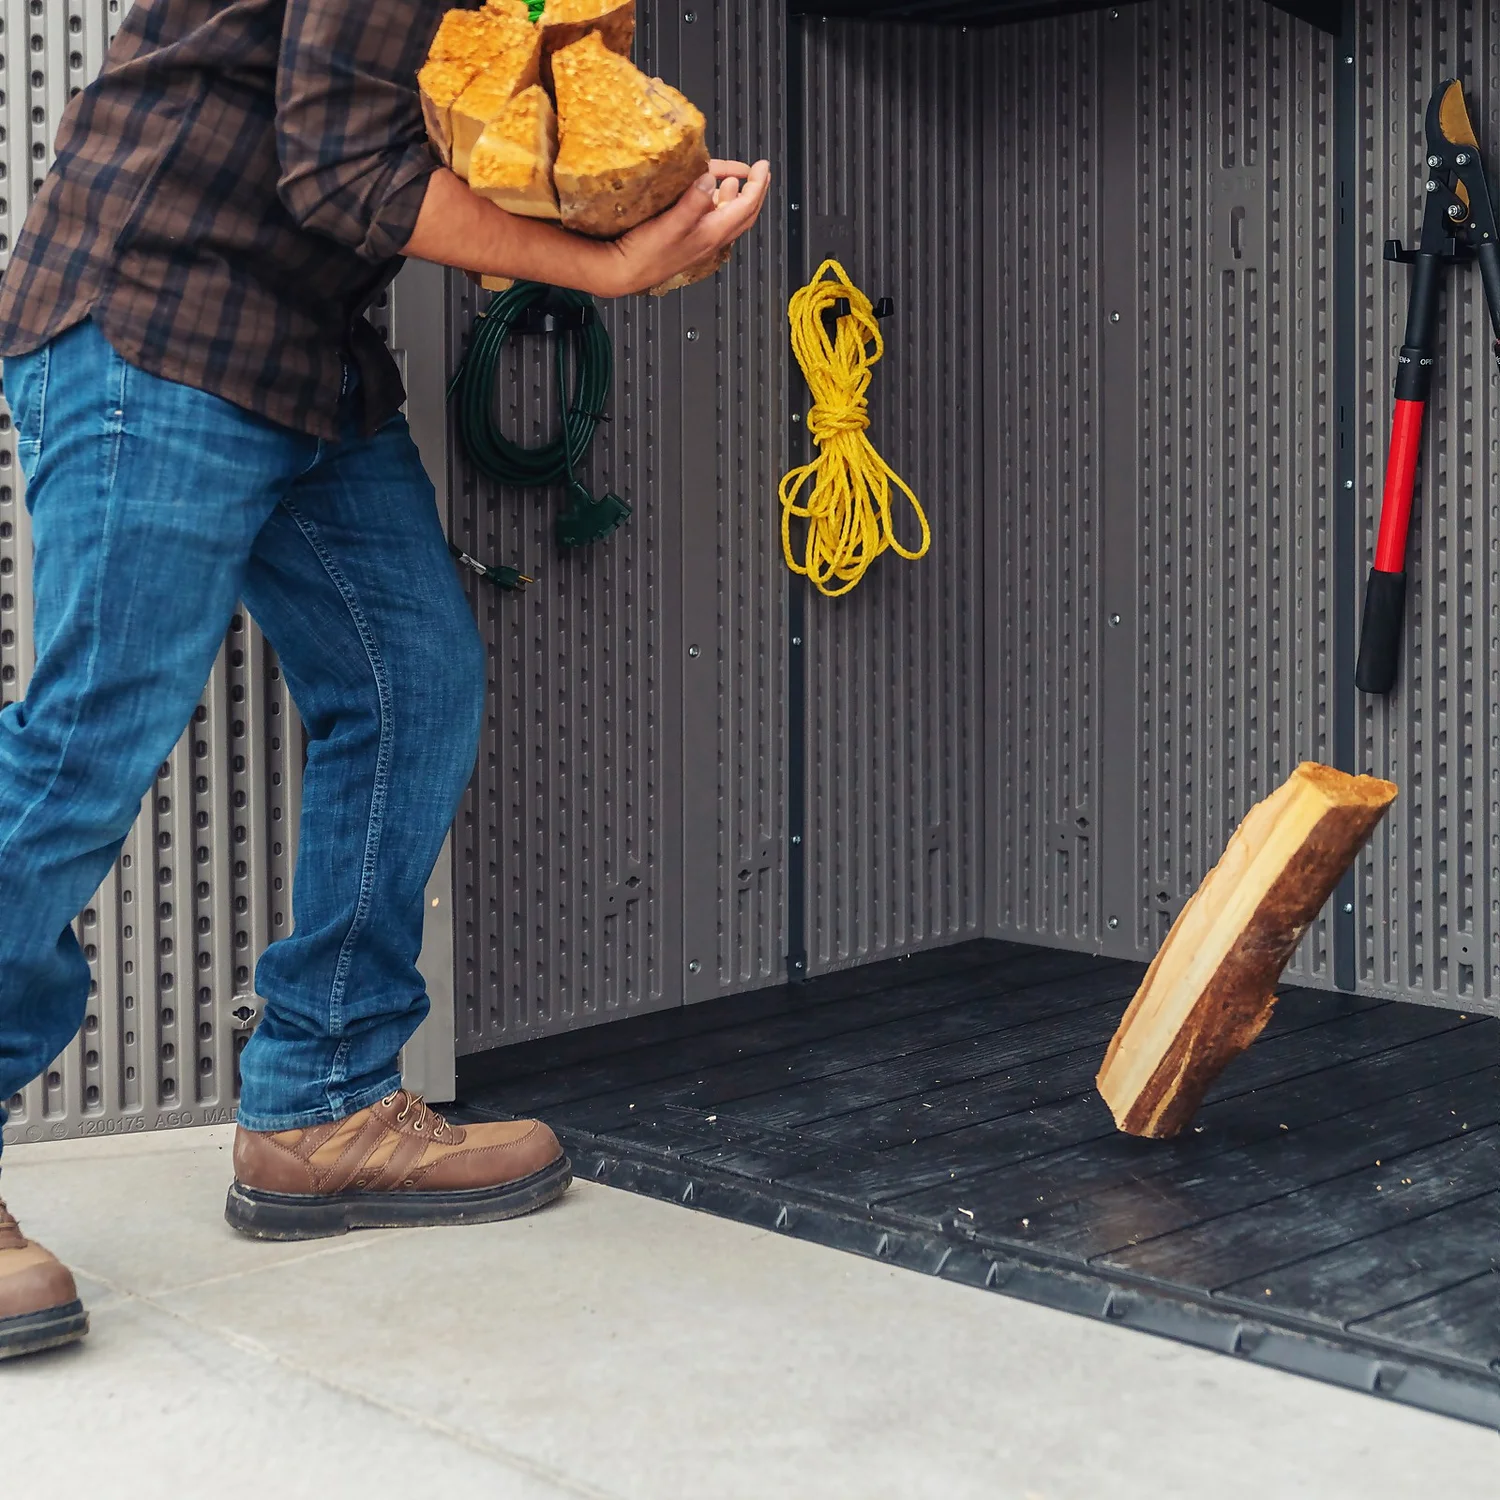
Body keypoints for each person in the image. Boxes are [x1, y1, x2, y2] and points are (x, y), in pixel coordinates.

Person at [0, 0, 770, 1361]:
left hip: (305, 353)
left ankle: (324, 1103)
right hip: (164, 316)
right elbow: (343, 168)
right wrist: (607, 269)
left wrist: (621, 193)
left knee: (413, 683)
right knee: (88, 743)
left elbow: (421, 129)